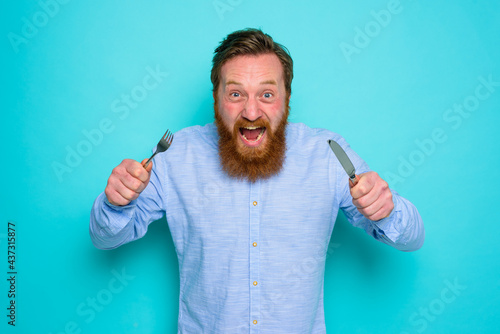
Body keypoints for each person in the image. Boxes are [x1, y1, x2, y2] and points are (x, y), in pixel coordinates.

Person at [90, 28, 424, 333]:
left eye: (267, 94)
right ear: (217, 98)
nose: (251, 112)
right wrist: (115, 203)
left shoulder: (327, 154)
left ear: (287, 98)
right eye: (236, 94)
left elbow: (412, 238)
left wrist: (387, 211)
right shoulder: (176, 155)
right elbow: (105, 239)